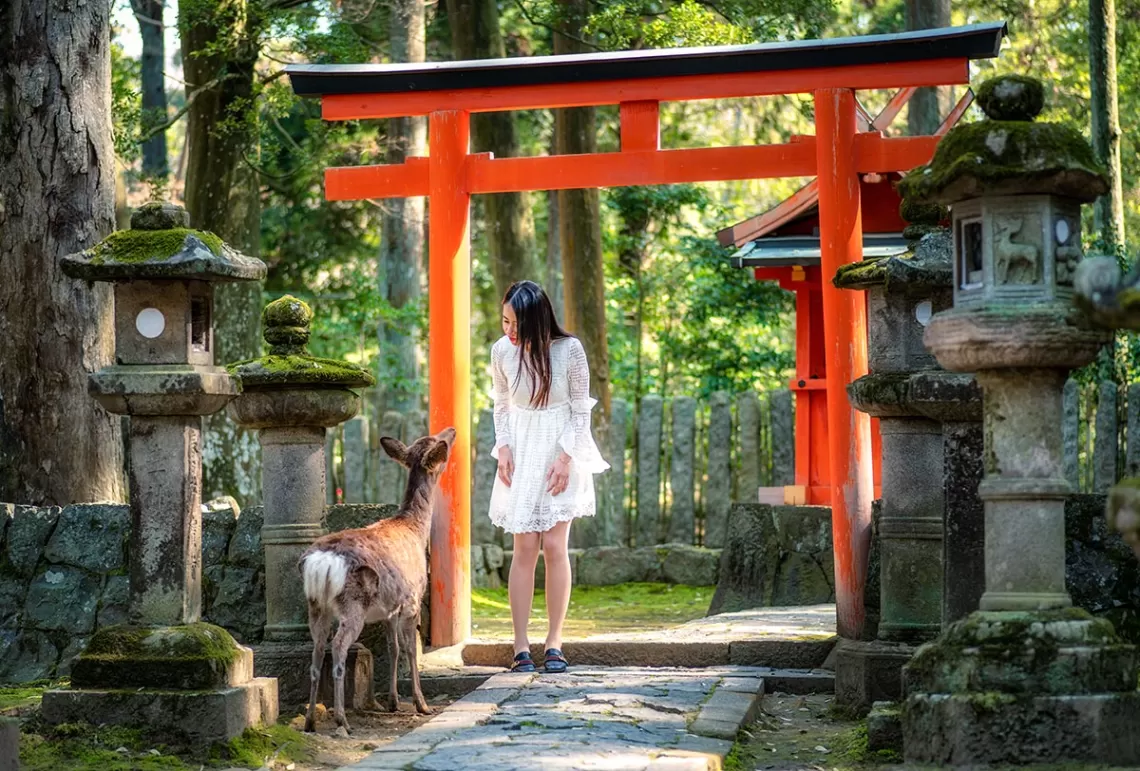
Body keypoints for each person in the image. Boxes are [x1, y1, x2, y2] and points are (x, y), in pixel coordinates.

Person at [488, 280, 609, 674]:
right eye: (505, 320)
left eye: (517, 324)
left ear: (538, 320)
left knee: (556, 546)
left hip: (562, 448)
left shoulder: (569, 350)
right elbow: (501, 404)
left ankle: (554, 642)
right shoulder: (501, 352)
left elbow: (580, 410)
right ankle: (520, 645)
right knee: (524, 548)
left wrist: (565, 458)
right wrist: (503, 446)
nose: (509, 330)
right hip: (522, 449)